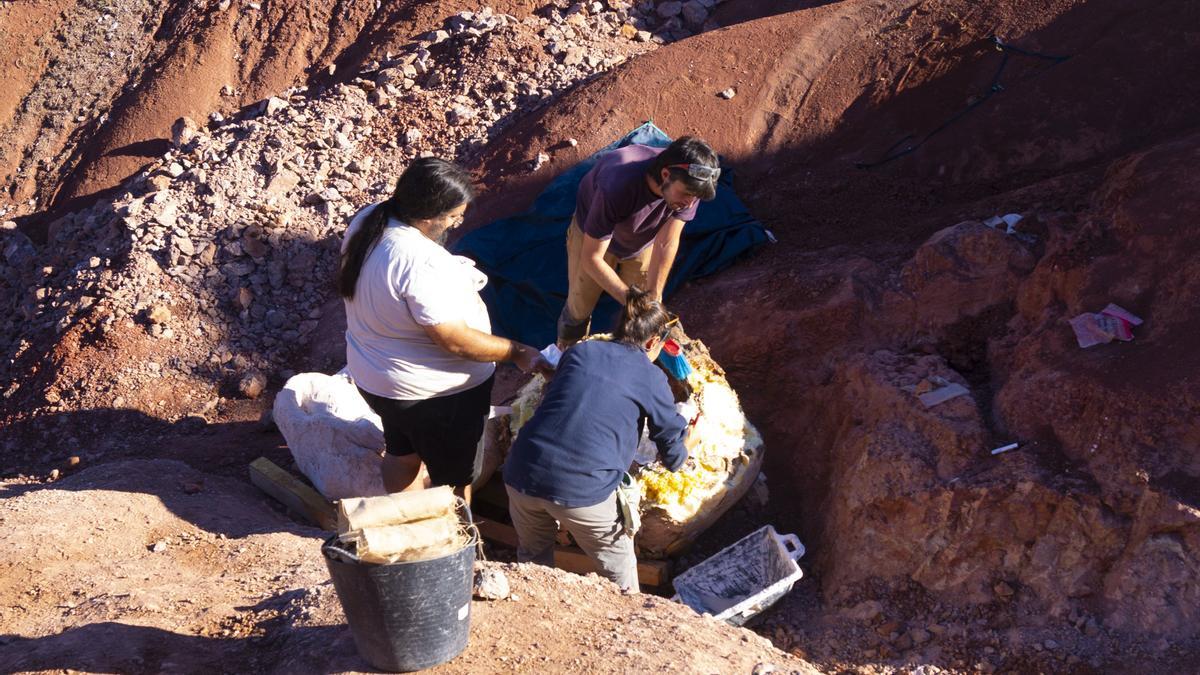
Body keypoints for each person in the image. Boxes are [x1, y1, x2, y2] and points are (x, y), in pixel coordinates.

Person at [337, 157, 547, 500]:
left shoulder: (371, 219)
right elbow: (455, 341)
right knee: (455, 478)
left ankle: (403, 517)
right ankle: (456, 536)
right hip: (433, 397)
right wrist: (518, 351)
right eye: (451, 216)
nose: (458, 221)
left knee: (402, 452)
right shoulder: (418, 261)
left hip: (379, 379)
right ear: (425, 215)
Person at [504, 288, 699, 592]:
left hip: (521, 473)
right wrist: (690, 440)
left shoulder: (583, 351)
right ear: (652, 342)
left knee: (532, 563)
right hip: (583, 490)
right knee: (621, 581)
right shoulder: (651, 377)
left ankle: (532, 616)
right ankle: (629, 628)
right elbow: (673, 457)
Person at [557, 135, 721, 347]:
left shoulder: (692, 187)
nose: (690, 203)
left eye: (694, 197)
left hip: (641, 241)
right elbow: (592, 258)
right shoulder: (617, 184)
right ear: (665, 174)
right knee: (580, 305)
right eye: (686, 194)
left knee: (646, 301)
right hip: (594, 237)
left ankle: (629, 354)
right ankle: (568, 351)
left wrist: (654, 298)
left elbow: (667, 242)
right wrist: (633, 302)